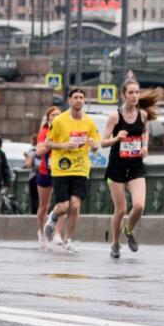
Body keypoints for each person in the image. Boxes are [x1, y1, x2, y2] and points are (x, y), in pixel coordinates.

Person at [101, 80, 160, 259]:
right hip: (116, 166)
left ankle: (129, 229)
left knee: (139, 205)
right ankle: (115, 243)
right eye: (131, 93)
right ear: (123, 95)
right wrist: (117, 138)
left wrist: (145, 147)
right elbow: (103, 142)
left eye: (137, 92)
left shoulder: (142, 115)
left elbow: (145, 132)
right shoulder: (115, 117)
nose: (135, 96)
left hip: (135, 165)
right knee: (120, 210)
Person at [44, 86, 99, 253]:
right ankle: (53, 217)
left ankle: (68, 238)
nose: (79, 100)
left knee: (75, 206)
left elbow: (96, 144)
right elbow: (47, 143)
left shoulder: (89, 121)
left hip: (81, 168)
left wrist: (94, 145)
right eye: (75, 97)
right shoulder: (59, 120)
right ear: (69, 100)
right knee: (64, 207)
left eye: (81, 97)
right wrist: (63, 145)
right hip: (62, 168)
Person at [31, 106, 60, 248]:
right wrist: (52, 144)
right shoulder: (44, 132)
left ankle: (57, 234)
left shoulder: (64, 130)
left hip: (61, 170)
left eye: (58, 115)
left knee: (63, 204)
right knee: (44, 206)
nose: (55, 117)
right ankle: (41, 232)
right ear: (48, 118)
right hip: (45, 171)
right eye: (52, 115)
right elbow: (39, 151)